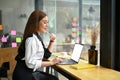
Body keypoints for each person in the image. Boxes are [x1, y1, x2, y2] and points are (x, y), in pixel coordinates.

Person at [12, 9, 63, 80]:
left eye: (47, 22)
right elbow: (30, 63)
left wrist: (52, 41)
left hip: (30, 72)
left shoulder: (37, 37)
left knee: (54, 78)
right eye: (44, 22)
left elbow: (46, 55)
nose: (47, 25)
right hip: (24, 75)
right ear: (36, 23)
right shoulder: (32, 39)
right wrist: (51, 63)